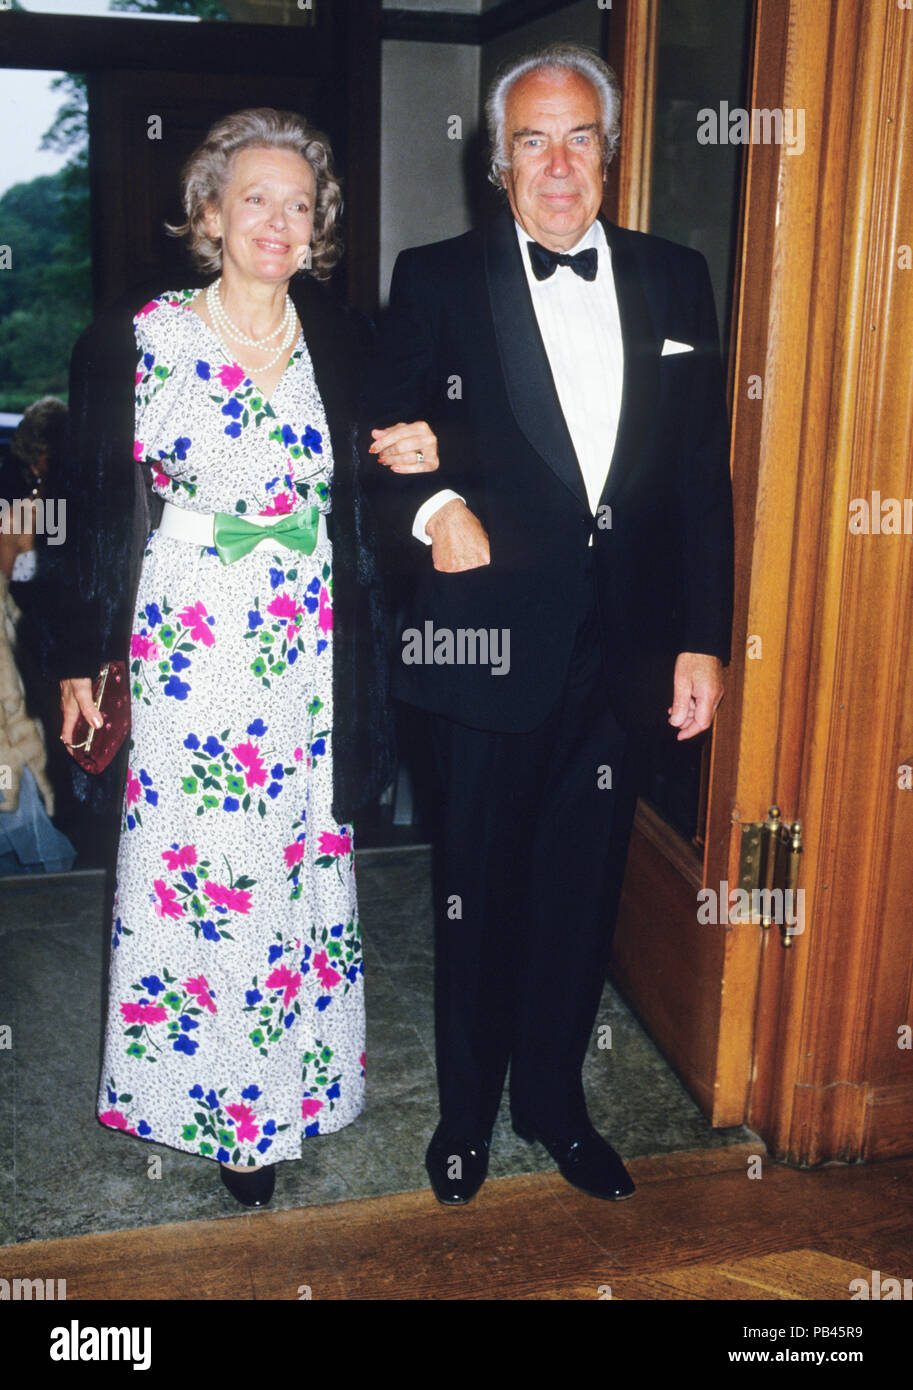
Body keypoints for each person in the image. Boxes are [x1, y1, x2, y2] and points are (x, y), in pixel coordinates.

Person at [363, 44, 734, 1205]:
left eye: (580, 137)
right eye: (533, 138)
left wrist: (702, 636)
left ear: (610, 156)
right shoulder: (433, 278)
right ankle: (466, 1116)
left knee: (581, 885)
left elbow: (697, 480)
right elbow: (382, 441)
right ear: (496, 160)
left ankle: (555, 1104)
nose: (558, 161)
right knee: (476, 884)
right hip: (485, 647)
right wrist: (435, 504)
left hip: (622, 649)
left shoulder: (677, 279)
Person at [41, 108, 397, 1208]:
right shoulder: (136, 339)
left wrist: (442, 459)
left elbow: (394, 466)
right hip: (190, 642)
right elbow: (89, 515)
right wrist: (69, 655)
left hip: (306, 645)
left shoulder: (338, 340)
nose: (279, 222)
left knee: (290, 868)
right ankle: (207, 1101)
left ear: (318, 227)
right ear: (209, 212)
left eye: (300, 205)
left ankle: (283, 1096)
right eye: (256, 199)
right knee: (204, 876)